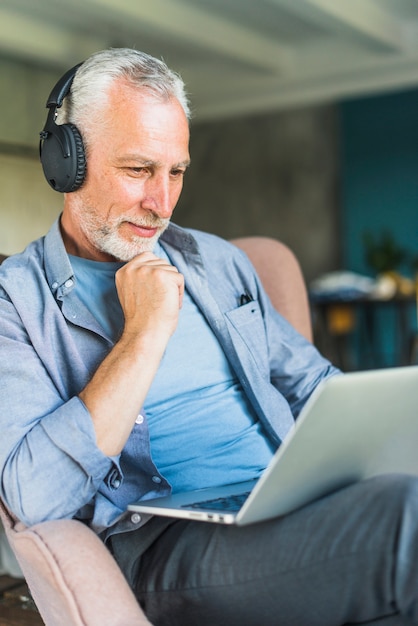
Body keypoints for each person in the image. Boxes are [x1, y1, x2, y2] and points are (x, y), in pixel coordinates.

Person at [0, 48, 417, 626]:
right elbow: (32, 496)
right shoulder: (16, 303)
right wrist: (143, 334)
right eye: (138, 170)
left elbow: (316, 383)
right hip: (166, 547)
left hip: (290, 502)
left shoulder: (219, 262)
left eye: (175, 172)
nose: (161, 203)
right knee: (408, 518)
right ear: (65, 161)